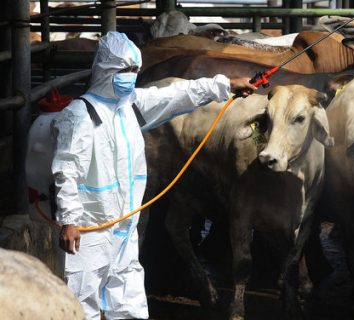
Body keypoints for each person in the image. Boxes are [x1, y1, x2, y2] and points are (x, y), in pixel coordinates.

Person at [51, 31, 257, 320]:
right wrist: (70, 220)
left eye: (135, 70)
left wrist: (225, 85)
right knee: (82, 300)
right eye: (126, 70)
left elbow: (176, 95)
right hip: (90, 231)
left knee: (128, 298)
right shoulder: (81, 115)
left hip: (125, 225)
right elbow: (66, 169)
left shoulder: (128, 106)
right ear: (107, 70)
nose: (132, 76)